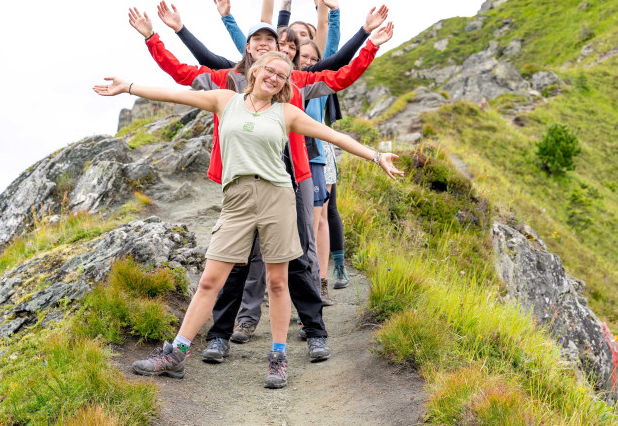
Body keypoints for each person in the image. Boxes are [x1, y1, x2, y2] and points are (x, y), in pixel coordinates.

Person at [93, 51, 402, 388]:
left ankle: (279, 358)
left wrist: (376, 156)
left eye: (282, 76)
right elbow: (175, 94)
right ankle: (176, 354)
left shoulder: (287, 113)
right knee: (211, 280)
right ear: (255, 71)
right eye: (270, 70)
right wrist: (129, 87)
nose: (274, 77)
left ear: (286, 83)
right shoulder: (225, 100)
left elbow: (335, 138)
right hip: (237, 200)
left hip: (277, 198)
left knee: (278, 282)